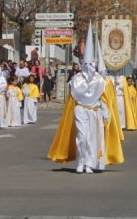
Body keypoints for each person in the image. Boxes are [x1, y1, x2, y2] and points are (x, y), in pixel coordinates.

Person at [48, 22, 123, 173]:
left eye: (91, 64)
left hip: (95, 111)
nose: (88, 66)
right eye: (86, 63)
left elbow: (103, 98)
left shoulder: (100, 80)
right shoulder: (76, 79)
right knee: (82, 137)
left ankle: (90, 163)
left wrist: (106, 111)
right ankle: (81, 161)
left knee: (93, 139)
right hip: (81, 110)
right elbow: (72, 98)